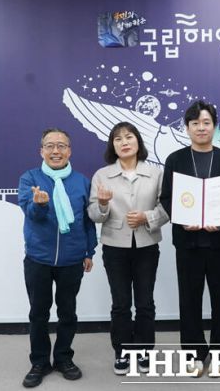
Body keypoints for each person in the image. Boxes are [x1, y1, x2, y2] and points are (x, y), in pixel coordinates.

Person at [160, 100, 220, 377]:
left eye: (206, 122)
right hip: (188, 242)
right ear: (187, 128)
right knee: (189, 300)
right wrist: (182, 218)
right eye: (195, 123)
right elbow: (167, 197)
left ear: (214, 126)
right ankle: (194, 353)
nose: (201, 128)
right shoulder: (175, 160)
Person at [18, 128, 97, 388]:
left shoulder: (82, 181)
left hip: (72, 259)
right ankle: (40, 361)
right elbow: (31, 214)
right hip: (38, 259)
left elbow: (88, 222)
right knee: (38, 313)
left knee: (67, 313)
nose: (56, 151)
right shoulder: (30, 178)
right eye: (50, 146)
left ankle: (63, 358)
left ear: (69, 151)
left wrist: (89, 251)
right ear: (41, 150)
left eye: (61, 146)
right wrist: (39, 204)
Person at [88, 122, 168, 375]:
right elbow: (94, 214)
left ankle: (144, 351)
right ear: (112, 145)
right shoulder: (102, 175)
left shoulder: (155, 173)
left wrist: (147, 217)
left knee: (145, 302)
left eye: (129, 137)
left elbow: (166, 208)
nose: (124, 142)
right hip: (115, 247)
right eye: (118, 139)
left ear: (138, 142)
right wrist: (102, 205)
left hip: (147, 245)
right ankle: (122, 351)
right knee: (121, 303)